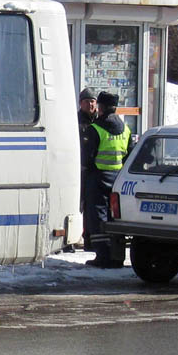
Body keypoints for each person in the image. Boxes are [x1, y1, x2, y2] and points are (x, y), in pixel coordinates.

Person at [82, 91, 132, 268]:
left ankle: (103, 256)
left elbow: (87, 156)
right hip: (118, 179)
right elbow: (129, 154)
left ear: (101, 107)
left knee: (98, 217)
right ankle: (117, 257)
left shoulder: (95, 129)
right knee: (115, 218)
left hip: (98, 177)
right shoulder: (125, 129)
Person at [76, 87, 98, 252]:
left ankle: (89, 237)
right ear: (80, 104)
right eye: (86, 101)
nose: (89, 104)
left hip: (96, 170)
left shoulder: (101, 121)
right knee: (79, 202)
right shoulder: (75, 120)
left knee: (92, 205)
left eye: (92, 101)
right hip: (79, 169)